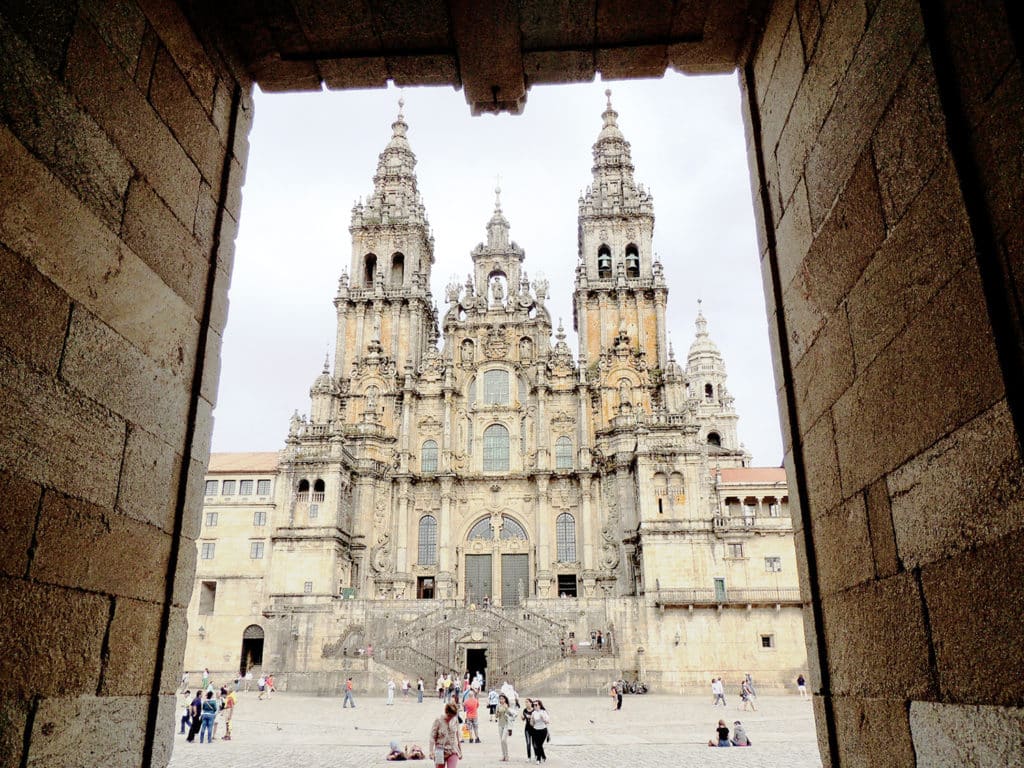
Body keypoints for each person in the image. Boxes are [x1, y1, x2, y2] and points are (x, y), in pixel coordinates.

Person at [430, 702, 462, 768]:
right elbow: (432, 737)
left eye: (452, 716)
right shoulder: (438, 721)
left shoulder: (455, 720)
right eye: (449, 716)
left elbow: (458, 736)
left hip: (453, 749)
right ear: (446, 712)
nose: (450, 718)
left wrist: (460, 751)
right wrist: (431, 751)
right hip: (440, 750)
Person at [529, 699, 550, 763]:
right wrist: (532, 719)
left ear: (540, 705)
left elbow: (547, 722)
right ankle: (542, 757)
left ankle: (539, 758)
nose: (534, 706)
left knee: (539, 744)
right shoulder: (533, 713)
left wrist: (543, 718)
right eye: (533, 705)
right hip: (535, 730)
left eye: (536, 705)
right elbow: (532, 724)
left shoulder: (543, 712)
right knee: (537, 745)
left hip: (543, 730)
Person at [496, 693, 514, 761]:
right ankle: (503, 755)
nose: (501, 700)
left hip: (507, 724)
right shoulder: (498, 706)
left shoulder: (508, 706)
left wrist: (506, 709)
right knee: (502, 741)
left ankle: (506, 755)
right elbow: (496, 716)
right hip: (500, 724)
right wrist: (498, 713)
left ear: (505, 699)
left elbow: (511, 714)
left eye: (502, 699)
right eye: (500, 699)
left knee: (504, 740)